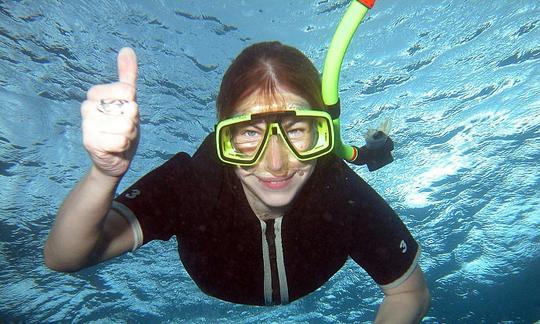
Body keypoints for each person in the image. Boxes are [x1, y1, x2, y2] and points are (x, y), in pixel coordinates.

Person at [44, 42, 430, 322]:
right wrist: (104, 174)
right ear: (222, 136)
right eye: (248, 133)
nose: (275, 163)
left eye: (296, 130)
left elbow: (408, 292)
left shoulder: (343, 194)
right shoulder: (192, 183)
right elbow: (64, 257)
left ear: (320, 134)